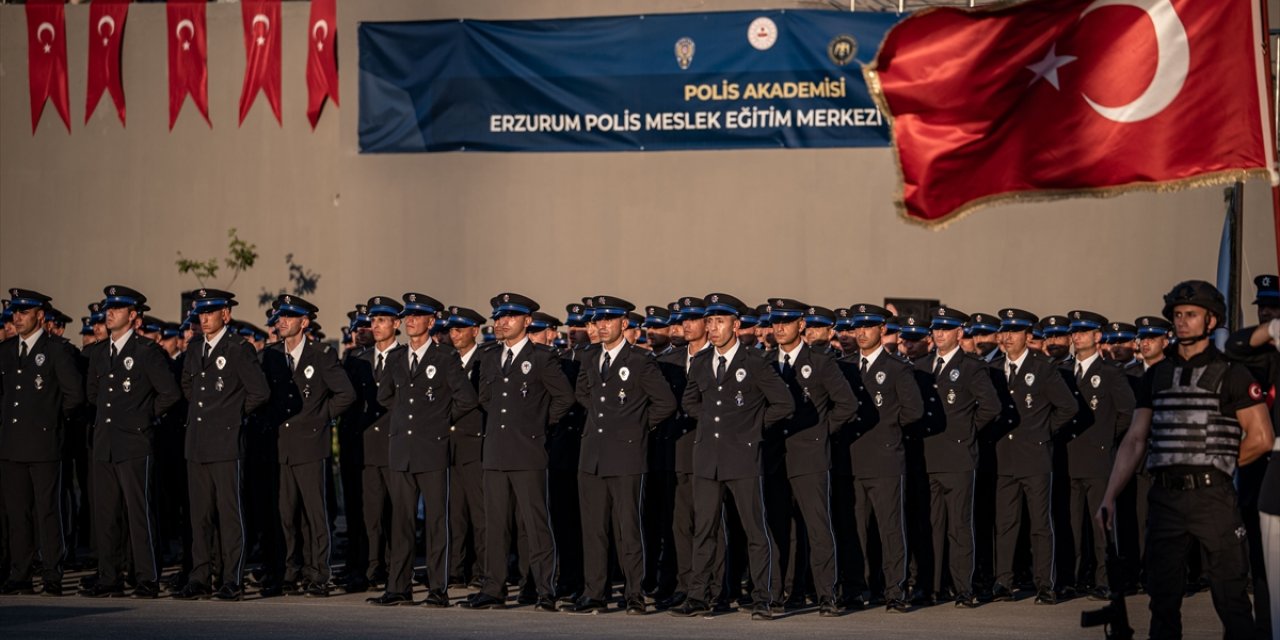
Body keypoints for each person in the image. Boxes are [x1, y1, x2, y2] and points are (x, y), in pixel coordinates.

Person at [1099, 280, 1273, 639]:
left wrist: (1218, 465)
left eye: (1191, 315)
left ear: (1212, 321)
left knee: (1232, 601)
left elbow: (1261, 438)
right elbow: (1135, 440)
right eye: (1177, 315)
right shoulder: (1157, 376)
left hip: (1214, 500)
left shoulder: (1233, 373)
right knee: (1161, 604)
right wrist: (1109, 496)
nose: (1182, 322)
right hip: (1165, 501)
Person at [669, 293, 793, 620]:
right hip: (708, 457)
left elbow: (784, 403)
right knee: (704, 530)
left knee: (755, 530)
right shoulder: (700, 362)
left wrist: (752, 427)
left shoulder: (754, 362)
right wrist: (710, 419)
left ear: (735, 325)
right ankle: (698, 595)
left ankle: (763, 597)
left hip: (743, 457)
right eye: (709, 321)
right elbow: (689, 402)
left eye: (719, 321)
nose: (712, 328)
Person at [462, 293, 575, 611]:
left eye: (509, 316)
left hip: (528, 453)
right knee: (495, 525)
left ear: (527, 321)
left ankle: (544, 589)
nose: (501, 322)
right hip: (496, 452)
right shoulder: (488, 356)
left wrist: (536, 424)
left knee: (535, 525)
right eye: (498, 317)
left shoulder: (541, 357)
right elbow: (484, 397)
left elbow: (563, 398)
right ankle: (493, 587)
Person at [566, 296, 676, 615]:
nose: (601, 325)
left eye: (608, 320)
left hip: (626, 455)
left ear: (623, 324)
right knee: (594, 527)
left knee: (628, 528)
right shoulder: (589, 356)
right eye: (598, 320)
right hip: (593, 454)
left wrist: (635, 428)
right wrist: (607, 418)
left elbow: (665, 403)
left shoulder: (640, 361)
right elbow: (582, 393)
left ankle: (634, 593)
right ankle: (595, 592)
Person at [370, 293, 477, 607]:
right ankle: (398, 587)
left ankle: (437, 589)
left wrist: (438, 422)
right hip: (402, 449)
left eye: (417, 316)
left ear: (432, 322)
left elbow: (467, 399)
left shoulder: (444, 358)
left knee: (436, 522)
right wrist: (405, 419)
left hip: (432, 449)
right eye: (407, 316)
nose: (410, 321)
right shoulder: (396, 357)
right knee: (400, 521)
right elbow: (385, 396)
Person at [79, 286, 180, 599]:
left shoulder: (145, 351)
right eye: (108, 307)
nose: (109, 312)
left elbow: (170, 393)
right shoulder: (98, 352)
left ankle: (147, 576)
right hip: (105, 442)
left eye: (117, 308)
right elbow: (93, 396)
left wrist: (143, 417)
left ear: (133, 315)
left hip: (135, 443)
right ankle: (109, 576)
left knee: (139, 513)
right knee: (106, 514)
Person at [172, 289, 270, 601]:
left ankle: (232, 578)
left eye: (210, 312)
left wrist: (231, 414)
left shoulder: (238, 347)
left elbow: (259, 392)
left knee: (229, 515)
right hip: (198, 442)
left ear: (225, 315)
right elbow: (188, 384)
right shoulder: (195, 346)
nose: (204, 317)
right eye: (200, 312)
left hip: (226, 443)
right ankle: (201, 576)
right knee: (199, 516)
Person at [762, 298, 857, 616]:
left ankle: (826, 593)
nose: (779, 328)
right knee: (777, 528)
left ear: (800, 325)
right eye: (775, 322)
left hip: (810, 456)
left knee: (817, 527)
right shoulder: (765, 361)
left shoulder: (819, 360)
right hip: (775, 456)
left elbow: (847, 404)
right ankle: (777, 593)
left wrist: (820, 433)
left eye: (786, 322)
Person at [261, 295, 355, 597]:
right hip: (281, 445)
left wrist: (320, 417)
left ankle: (318, 574)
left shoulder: (321, 354)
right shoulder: (271, 355)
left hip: (311, 445)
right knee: (284, 515)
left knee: (315, 515)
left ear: (304, 322)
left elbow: (345, 394)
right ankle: (289, 571)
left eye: (289, 316)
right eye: (280, 316)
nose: (282, 321)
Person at [834, 303, 924, 612]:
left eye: (868, 327)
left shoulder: (897, 367)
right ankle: (857, 588)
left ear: (881, 330)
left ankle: (895, 590)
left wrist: (887, 427)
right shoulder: (844, 365)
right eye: (857, 327)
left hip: (885, 459)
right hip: (852, 459)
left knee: (890, 528)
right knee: (855, 530)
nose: (860, 332)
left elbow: (914, 411)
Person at [0, 289, 84, 596]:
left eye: (23, 312)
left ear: (40, 315)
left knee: (48, 511)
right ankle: (20, 573)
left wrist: (50, 421)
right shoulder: (6, 350)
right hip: (11, 444)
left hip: (44, 442)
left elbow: (74, 395)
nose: (17, 318)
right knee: (16, 511)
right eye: (15, 313)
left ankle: (52, 573)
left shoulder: (56, 350)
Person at [990, 308, 1075, 604]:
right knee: (1005, 523)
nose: (1008, 337)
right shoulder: (995, 367)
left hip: (1036, 456)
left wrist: (1043, 432)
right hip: (1005, 456)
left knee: (1040, 524)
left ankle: (1045, 583)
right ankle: (1003, 581)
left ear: (1028, 336)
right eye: (1005, 331)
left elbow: (1068, 407)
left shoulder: (1043, 366)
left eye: (1015, 332)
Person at [917, 307, 1000, 608]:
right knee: (932, 526)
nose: (938, 333)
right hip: (929, 455)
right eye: (936, 328)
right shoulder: (923, 364)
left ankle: (963, 587)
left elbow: (991, 406)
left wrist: (966, 432)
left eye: (946, 328)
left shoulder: (970, 366)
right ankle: (933, 586)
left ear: (959, 333)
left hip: (959, 457)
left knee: (959, 527)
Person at [1059, 310, 1134, 600]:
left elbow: (1127, 413)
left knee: (1101, 525)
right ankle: (1076, 578)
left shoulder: (1111, 372)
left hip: (1099, 459)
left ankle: (1106, 579)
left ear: (1097, 336)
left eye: (1083, 331)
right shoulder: (1064, 371)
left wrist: (1105, 439)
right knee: (1072, 526)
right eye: (1074, 331)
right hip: (1069, 458)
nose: (1076, 336)